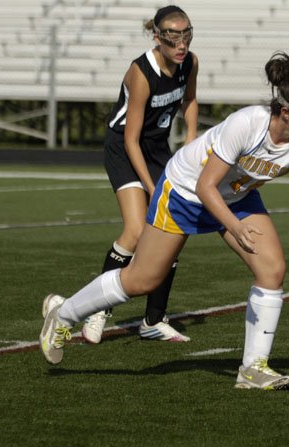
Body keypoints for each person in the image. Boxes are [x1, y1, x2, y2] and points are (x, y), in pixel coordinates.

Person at [40, 51, 289, 390]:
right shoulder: (248, 124)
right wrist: (234, 228)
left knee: (272, 269)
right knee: (143, 279)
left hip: (235, 195)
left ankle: (253, 369)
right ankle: (65, 313)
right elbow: (206, 185)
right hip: (187, 191)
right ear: (286, 112)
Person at [83, 5, 199, 344]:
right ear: (158, 37)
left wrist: (190, 142)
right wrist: (153, 188)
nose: (181, 43)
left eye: (186, 34)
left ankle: (153, 320)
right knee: (135, 230)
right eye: (173, 36)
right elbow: (131, 139)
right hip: (124, 147)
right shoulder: (141, 72)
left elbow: (190, 100)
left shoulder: (189, 63)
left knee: (172, 231)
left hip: (157, 148)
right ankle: (97, 310)